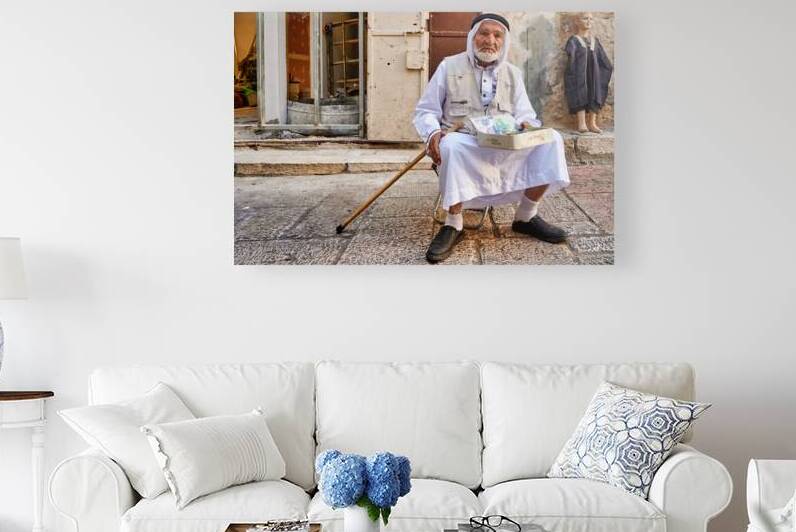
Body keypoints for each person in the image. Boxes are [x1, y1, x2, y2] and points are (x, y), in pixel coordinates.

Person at [414, 13, 571, 264]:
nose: (490, 40)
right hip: (466, 142)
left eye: (497, 35)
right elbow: (426, 111)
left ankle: (526, 217)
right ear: (472, 37)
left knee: (552, 138)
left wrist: (528, 125)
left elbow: (525, 114)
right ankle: (454, 224)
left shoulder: (512, 73)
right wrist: (432, 133)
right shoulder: (449, 66)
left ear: (504, 41)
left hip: (505, 144)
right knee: (452, 145)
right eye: (484, 33)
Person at [564, 12, 614, 134]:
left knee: (595, 91)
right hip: (579, 73)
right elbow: (570, 54)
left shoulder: (594, 41)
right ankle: (581, 123)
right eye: (585, 18)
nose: (588, 21)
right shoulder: (574, 40)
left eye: (591, 19)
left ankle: (592, 122)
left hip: (594, 74)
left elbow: (604, 60)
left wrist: (603, 71)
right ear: (577, 21)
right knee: (579, 91)